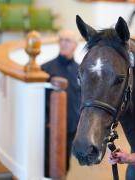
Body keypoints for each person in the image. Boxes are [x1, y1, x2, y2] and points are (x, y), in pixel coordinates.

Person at [41, 29, 80, 177]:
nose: (63, 43)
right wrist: (47, 122)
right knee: (48, 165)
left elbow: (81, 99)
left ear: (75, 45)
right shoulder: (46, 68)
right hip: (50, 128)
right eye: (61, 39)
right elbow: (40, 100)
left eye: (67, 40)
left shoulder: (80, 70)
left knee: (65, 165)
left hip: (70, 128)